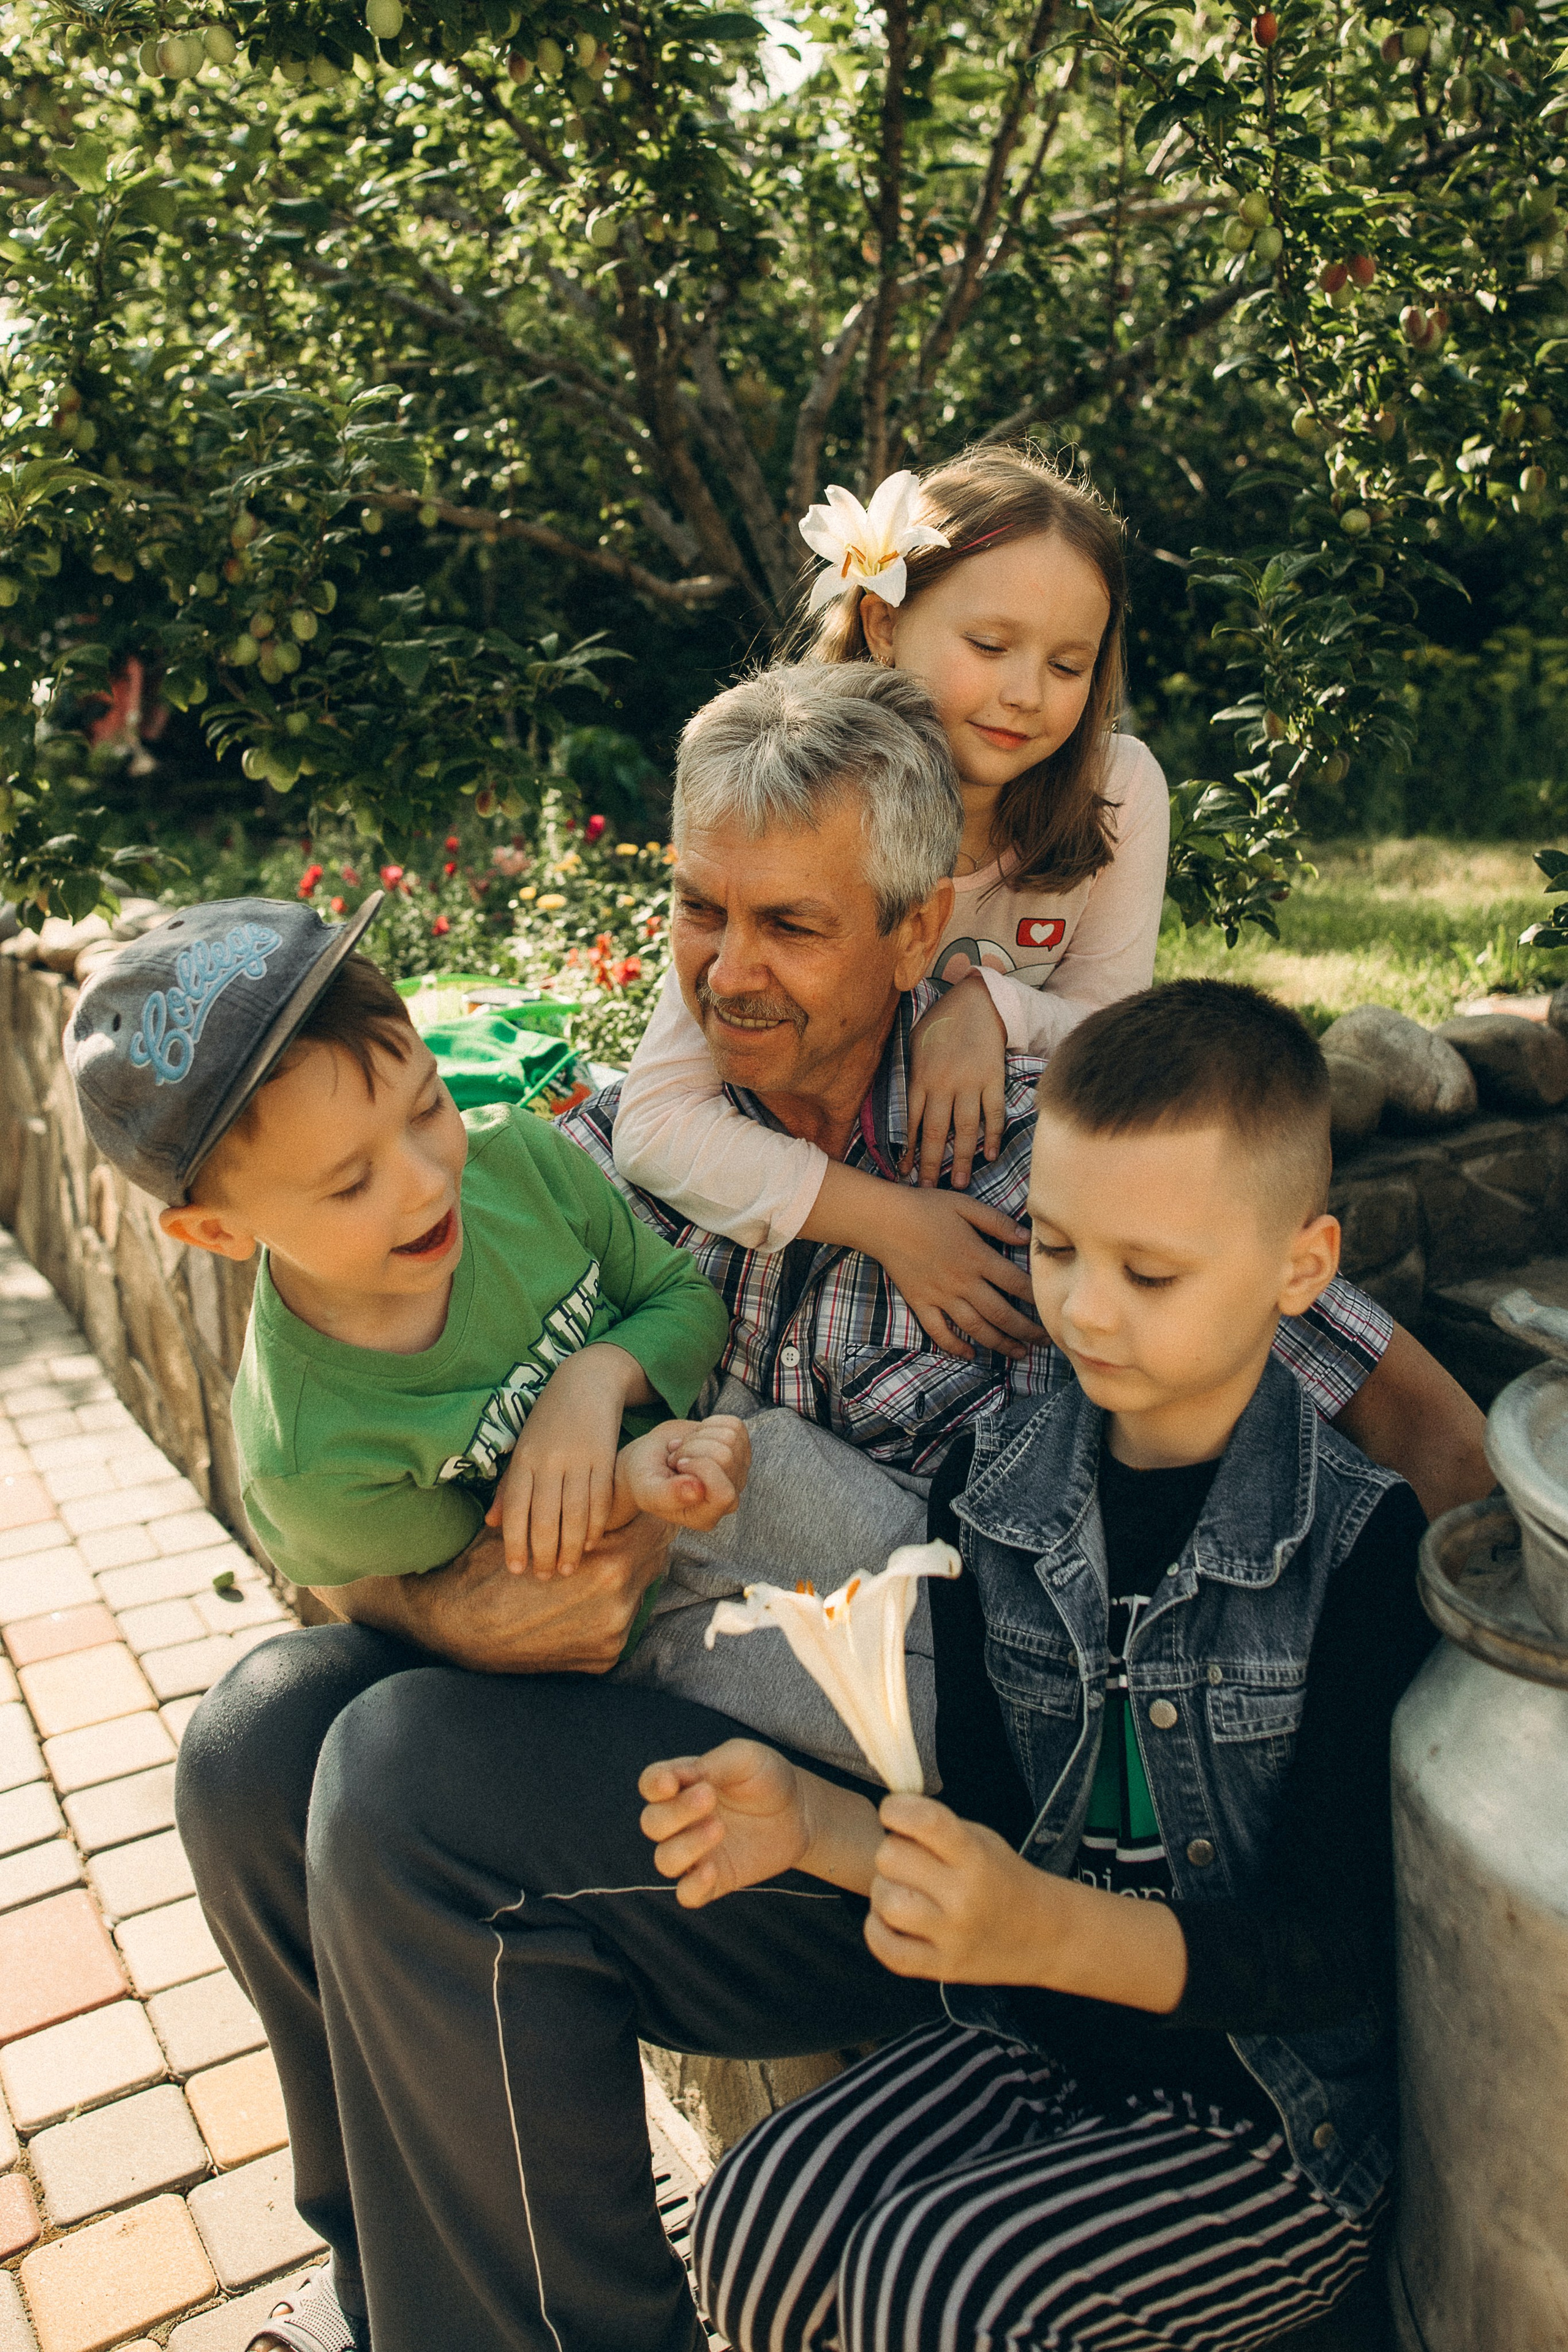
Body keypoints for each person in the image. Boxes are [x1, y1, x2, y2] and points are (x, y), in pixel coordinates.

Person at [168, 668, 1484, 2352]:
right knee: (258, 1741)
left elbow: (1366, 1385)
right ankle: (396, 2294)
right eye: (699, 909)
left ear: (920, 922)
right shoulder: (625, 1144)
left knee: (411, 1789)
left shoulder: (1052, 1173)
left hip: (910, 1808)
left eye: (788, 923)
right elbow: (365, 1500)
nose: (728, 969)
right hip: (655, 1675)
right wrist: (444, 1610)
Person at [642, 980, 1437, 2352]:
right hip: (1038, 2044)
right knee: (756, 2221)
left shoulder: (1355, 1551)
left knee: (940, 2284)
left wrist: (1042, 1932)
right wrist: (813, 1826)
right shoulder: (992, 1497)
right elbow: (990, 1830)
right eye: (1056, 1249)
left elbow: (1334, 1953)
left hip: (1267, 2121)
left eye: (1150, 1272)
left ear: (1300, 1269)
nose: (1086, 1310)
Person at [611, 445, 1170, 1362]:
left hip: (1005, 1166)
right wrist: (893, 1224)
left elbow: (1120, 1036)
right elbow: (661, 1122)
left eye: (1069, 665)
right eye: (989, 646)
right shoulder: (800, 801)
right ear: (881, 621)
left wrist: (991, 1006)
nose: (1025, 693)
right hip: (829, 1175)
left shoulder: (1119, 790)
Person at [62, 899, 744, 1602]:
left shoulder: (519, 1161)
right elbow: (502, 1595)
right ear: (216, 1232)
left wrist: (594, 1378)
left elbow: (688, 1302)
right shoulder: (316, 1466)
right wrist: (629, 1482)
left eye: (428, 1107)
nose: (429, 1185)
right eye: (351, 1183)